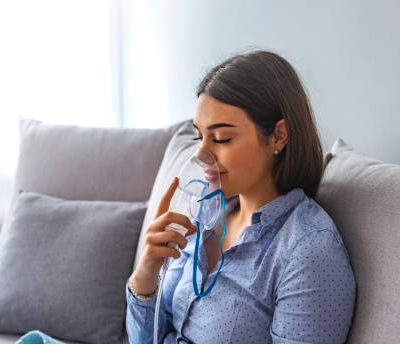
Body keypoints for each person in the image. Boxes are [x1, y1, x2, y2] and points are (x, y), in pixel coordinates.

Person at [126, 50, 356, 343]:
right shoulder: (203, 214)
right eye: (200, 137)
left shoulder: (307, 250)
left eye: (221, 138)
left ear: (278, 136)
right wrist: (147, 271)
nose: (201, 154)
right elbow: (144, 339)